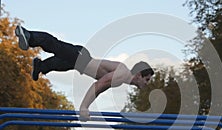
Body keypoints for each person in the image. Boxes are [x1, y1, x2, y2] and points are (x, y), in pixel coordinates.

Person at [15, 25, 154, 121]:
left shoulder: (122, 76)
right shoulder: (122, 75)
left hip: (81, 61)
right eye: (147, 79)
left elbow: (100, 88)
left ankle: (41, 66)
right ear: (138, 75)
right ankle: (30, 36)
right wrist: (84, 107)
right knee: (56, 46)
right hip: (82, 58)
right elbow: (99, 85)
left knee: (61, 63)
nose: (147, 83)